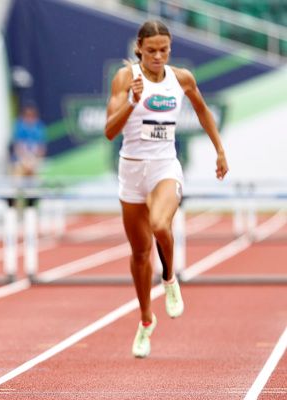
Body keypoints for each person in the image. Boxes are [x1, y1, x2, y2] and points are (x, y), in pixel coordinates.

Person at [104, 20, 228, 358]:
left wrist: (219, 149)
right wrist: (132, 101)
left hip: (164, 167)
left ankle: (170, 279)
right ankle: (146, 320)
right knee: (141, 253)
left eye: (165, 50)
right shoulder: (124, 79)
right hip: (131, 171)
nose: (158, 56)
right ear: (139, 49)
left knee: (161, 225)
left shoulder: (182, 78)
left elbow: (202, 111)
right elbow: (109, 132)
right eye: (152, 50)